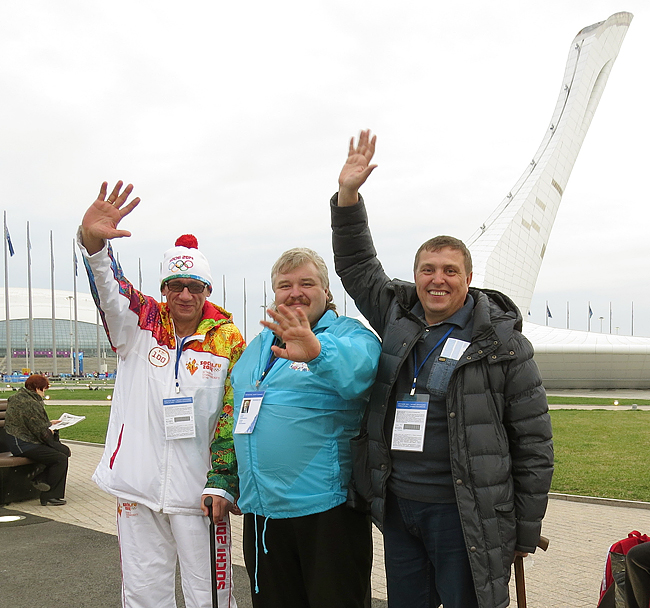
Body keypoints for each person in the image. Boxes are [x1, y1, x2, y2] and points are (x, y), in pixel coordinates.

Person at [330, 130, 554, 608]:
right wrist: (348, 197)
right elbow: (356, 265)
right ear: (415, 275)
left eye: (450, 271)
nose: (437, 279)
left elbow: (534, 442)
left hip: (465, 514)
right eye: (428, 269)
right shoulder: (396, 314)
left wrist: (524, 529)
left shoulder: (503, 343)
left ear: (469, 279)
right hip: (400, 508)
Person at [78, 181, 245, 608]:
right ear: (164, 288)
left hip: (202, 496)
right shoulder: (141, 323)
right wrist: (95, 243)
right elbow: (109, 287)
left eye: (194, 285)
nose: (184, 294)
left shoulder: (228, 340)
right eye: (175, 285)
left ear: (207, 290)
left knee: (210, 596)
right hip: (139, 487)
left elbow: (233, 414)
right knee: (143, 596)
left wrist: (223, 482)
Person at [217, 247, 382, 608]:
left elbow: (361, 374)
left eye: (307, 283)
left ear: (326, 292)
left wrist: (317, 350)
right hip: (263, 514)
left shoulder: (349, 334)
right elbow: (236, 417)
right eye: (285, 285)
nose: (295, 292)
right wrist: (226, 480)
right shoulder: (259, 345)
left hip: (326, 512)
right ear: (273, 294)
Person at [5, 374, 70, 506]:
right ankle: (48, 492)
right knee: (60, 457)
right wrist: (50, 430)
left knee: (60, 454)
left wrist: (49, 424)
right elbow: (40, 432)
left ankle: (41, 481)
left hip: (20, 441)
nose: (44, 393)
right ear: (37, 388)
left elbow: (31, 423)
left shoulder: (21, 398)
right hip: (23, 444)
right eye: (44, 389)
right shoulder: (30, 403)